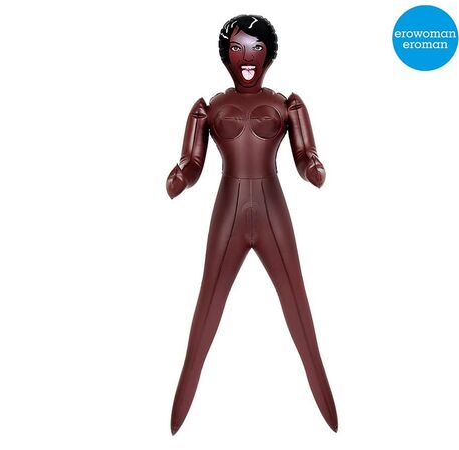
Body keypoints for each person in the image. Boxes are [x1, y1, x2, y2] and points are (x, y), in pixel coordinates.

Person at [167, 14, 337, 434]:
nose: (247, 57)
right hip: (227, 209)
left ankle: (325, 399)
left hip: (272, 208)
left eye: (256, 48)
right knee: (207, 303)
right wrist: (181, 176)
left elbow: (304, 154)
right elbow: (193, 161)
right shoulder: (209, 108)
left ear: (269, 54)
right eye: (238, 48)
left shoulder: (286, 105)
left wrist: (313, 168)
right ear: (226, 55)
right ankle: (181, 404)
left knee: (297, 302)